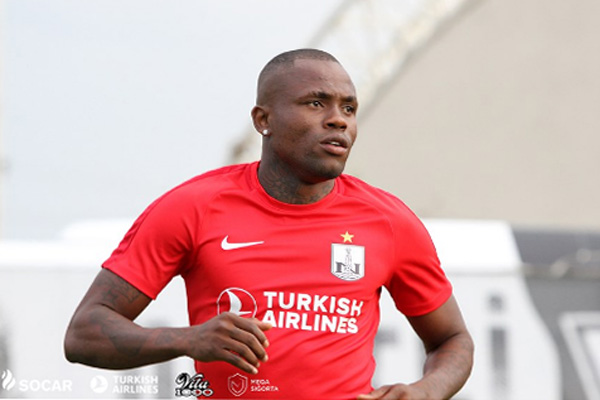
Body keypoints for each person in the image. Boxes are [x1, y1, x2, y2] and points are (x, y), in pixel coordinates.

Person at [64, 48, 473, 399]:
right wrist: (189, 339)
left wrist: (426, 391)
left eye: (349, 108)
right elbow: (84, 333)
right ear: (263, 120)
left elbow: (452, 340)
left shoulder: (390, 220)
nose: (339, 120)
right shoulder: (193, 207)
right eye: (316, 104)